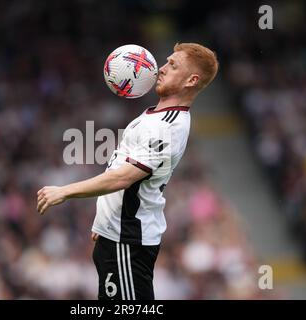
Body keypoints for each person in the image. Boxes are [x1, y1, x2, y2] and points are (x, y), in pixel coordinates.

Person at [37, 43, 219, 300]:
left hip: (128, 243)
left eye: (173, 65)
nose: (161, 68)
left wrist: (64, 191)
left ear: (192, 80)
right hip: (116, 237)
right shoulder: (156, 115)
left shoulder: (167, 127)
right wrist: (105, 218)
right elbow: (123, 169)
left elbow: (124, 177)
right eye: (167, 61)